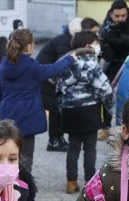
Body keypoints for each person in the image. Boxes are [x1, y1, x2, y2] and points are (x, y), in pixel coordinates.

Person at [0, 29, 76, 177]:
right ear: (29, 46)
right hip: (27, 117)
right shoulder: (32, 67)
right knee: (25, 159)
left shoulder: (4, 65)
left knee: (8, 157)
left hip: (7, 116)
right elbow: (54, 69)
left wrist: (4, 108)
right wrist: (70, 59)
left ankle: (7, 188)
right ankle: (24, 192)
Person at [58, 31, 113, 194]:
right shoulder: (91, 64)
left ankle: (71, 181)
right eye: (96, 43)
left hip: (69, 110)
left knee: (73, 147)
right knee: (90, 147)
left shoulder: (65, 62)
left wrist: (62, 107)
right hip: (89, 109)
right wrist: (109, 109)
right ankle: (90, 181)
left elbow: (57, 86)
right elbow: (106, 89)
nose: (98, 46)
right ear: (87, 45)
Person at [37, 16, 100, 152]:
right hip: (45, 81)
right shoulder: (65, 42)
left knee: (58, 107)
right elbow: (64, 66)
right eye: (93, 33)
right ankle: (54, 141)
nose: (96, 37)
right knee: (55, 108)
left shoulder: (68, 39)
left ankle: (57, 139)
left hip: (49, 79)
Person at [99, 0, 129, 81]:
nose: (120, 19)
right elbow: (102, 36)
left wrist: (122, 39)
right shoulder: (108, 21)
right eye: (117, 16)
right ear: (111, 14)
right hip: (112, 61)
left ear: (127, 14)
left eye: (123, 15)